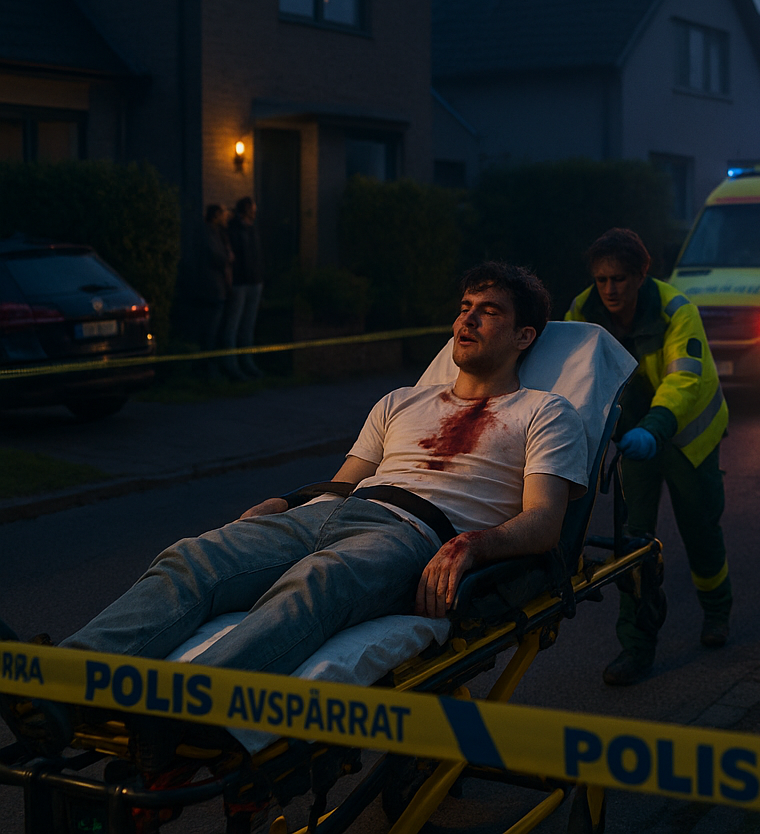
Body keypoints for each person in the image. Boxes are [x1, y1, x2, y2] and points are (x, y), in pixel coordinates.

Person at [4, 263, 588, 762]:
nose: (467, 319)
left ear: (524, 336)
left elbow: (543, 523)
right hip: (337, 510)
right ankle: (60, 683)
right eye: (465, 306)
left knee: (316, 581)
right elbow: (343, 483)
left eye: (488, 311)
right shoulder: (400, 401)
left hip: (416, 535)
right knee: (194, 556)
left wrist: (473, 544)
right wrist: (284, 502)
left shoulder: (545, 412)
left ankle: (192, 707)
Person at [565, 228, 731, 686]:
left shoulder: (677, 310)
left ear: (642, 274)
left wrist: (654, 428)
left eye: (619, 278)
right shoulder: (583, 311)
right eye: (601, 279)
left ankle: (717, 613)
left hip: (687, 437)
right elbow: (572, 376)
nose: (610, 289)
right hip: (634, 440)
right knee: (632, 543)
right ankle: (636, 648)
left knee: (700, 528)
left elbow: (684, 381)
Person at [222, 197, 265, 379]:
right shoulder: (233, 230)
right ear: (246, 209)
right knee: (234, 324)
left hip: (254, 281)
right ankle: (232, 365)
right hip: (240, 283)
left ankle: (247, 362)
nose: (255, 212)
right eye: (253, 209)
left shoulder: (252, 229)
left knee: (248, 325)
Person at [190, 203, 232, 380]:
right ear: (216, 215)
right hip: (212, 289)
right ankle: (207, 368)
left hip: (216, 288)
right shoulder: (209, 233)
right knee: (210, 330)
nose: (226, 216)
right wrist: (227, 258)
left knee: (212, 329)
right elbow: (216, 256)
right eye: (223, 213)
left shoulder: (217, 233)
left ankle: (209, 367)